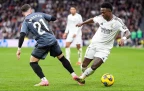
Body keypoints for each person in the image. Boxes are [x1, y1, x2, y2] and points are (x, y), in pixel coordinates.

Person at [16, 4, 84, 86]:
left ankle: (44, 80)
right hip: (52, 39)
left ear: (23, 13)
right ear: (30, 10)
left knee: (33, 62)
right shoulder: (40, 14)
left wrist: (19, 49)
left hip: (43, 42)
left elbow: (22, 35)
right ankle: (74, 75)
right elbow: (53, 18)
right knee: (62, 58)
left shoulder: (26, 21)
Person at [76, 2, 131, 84]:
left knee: (95, 65)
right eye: (101, 12)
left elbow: (127, 32)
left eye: (103, 12)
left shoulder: (117, 21)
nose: (101, 14)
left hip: (105, 48)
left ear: (109, 12)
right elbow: (92, 20)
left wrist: (123, 38)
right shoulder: (100, 17)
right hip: (94, 44)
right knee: (84, 65)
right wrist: (82, 23)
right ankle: (83, 74)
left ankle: (82, 78)